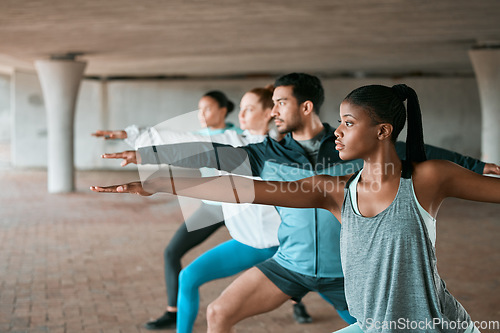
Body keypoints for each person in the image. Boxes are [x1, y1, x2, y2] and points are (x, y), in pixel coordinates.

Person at [95, 73, 500, 333]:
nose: (340, 131)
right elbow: (235, 185)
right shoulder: (332, 188)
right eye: (340, 121)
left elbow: (427, 151)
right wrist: (158, 179)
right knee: (219, 312)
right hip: (322, 284)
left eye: (349, 122)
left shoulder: (426, 178)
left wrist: (480, 165)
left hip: (425, 320)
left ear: (382, 131)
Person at [94, 86, 313, 331]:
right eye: (240, 109)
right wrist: (139, 145)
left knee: (339, 298)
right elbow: (185, 142)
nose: (241, 115)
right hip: (250, 242)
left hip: (287, 246)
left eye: (249, 109)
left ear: (268, 114)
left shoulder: (288, 149)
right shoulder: (232, 141)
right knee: (188, 277)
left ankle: (311, 303)